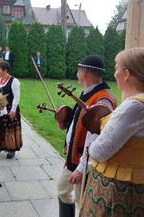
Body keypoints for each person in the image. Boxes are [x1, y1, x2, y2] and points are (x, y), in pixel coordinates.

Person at [79, 48, 144, 217]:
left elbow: (99, 151)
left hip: (119, 191)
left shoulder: (134, 107)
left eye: (117, 68)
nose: (114, 74)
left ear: (127, 74)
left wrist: (92, 145)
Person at [56, 55, 116, 217]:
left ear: (85, 72)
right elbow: (81, 122)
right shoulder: (89, 92)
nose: (77, 73)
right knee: (63, 190)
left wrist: (82, 168)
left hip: (85, 162)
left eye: (79, 69)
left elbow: (97, 137)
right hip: (74, 155)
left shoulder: (103, 99)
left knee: (83, 202)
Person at [0, 61, 22, 159]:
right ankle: (0, 146)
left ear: (5, 70)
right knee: (0, 127)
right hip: (0, 108)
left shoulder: (13, 81)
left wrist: (13, 110)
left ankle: (12, 148)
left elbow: (17, 96)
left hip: (11, 108)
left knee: (10, 128)